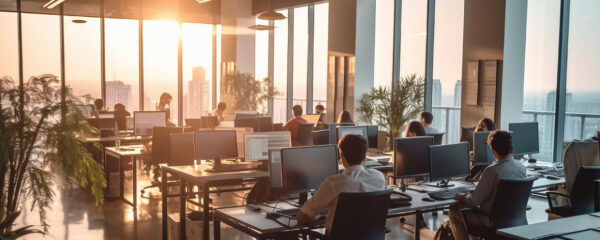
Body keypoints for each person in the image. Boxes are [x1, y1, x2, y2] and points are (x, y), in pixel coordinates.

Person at [296, 134, 386, 234]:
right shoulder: (379, 177)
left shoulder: (333, 183)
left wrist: (321, 214)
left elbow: (302, 217)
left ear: (342, 157)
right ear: (365, 158)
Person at [446, 130, 526, 240]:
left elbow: (475, 201)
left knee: (454, 209)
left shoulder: (492, 171)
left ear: (492, 151)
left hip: (491, 221)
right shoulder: (521, 167)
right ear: (512, 149)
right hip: (515, 219)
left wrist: (464, 196)